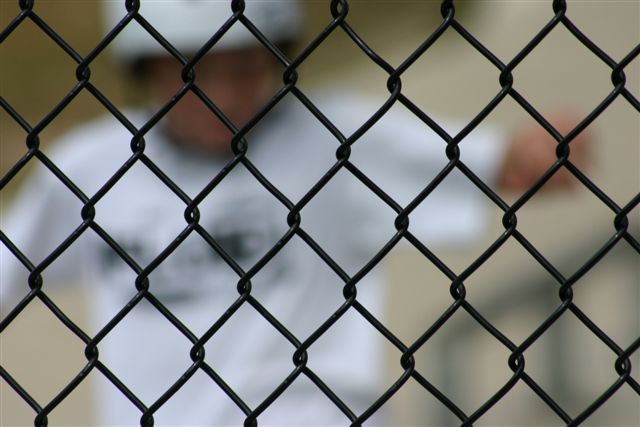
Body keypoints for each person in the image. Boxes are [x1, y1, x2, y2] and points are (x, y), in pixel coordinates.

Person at [0, 2, 588, 426]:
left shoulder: (329, 140)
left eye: (246, 66)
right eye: (196, 70)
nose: (227, 95)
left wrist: (536, 155)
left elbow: (487, 165)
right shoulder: (92, 169)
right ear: (148, 66)